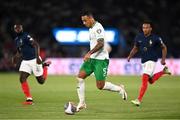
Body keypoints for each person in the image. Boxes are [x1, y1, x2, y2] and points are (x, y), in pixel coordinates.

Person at [76, 11, 127, 112]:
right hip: (92, 59)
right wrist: (91, 55)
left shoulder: (98, 28)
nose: (84, 23)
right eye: (83, 21)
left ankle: (120, 89)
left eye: (85, 21)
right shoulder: (91, 28)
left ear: (91, 19)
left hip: (101, 60)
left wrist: (89, 53)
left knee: (100, 86)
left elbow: (101, 44)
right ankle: (82, 102)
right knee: (79, 77)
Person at [127, 21, 171, 106]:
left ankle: (138, 99)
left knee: (144, 78)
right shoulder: (139, 37)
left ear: (151, 29)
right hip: (144, 61)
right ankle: (163, 71)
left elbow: (164, 47)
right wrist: (130, 56)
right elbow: (135, 48)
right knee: (150, 80)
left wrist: (163, 59)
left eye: (147, 27)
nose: (145, 29)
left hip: (152, 60)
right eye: (143, 27)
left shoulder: (156, 38)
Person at [12, 24, 51, 105]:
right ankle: (29, 99)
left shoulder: (26, 36)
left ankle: (45, 67)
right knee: (22, 78)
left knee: (41, 81)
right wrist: (15, 58)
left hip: (34, 60)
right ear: (14, 30)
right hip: (25, 61)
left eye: (19, 28)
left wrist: (37, 58)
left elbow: (36, 45)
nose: (18, 29)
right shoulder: (16, 39)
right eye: (16, 28)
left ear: (22, 28)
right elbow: (19, 51)